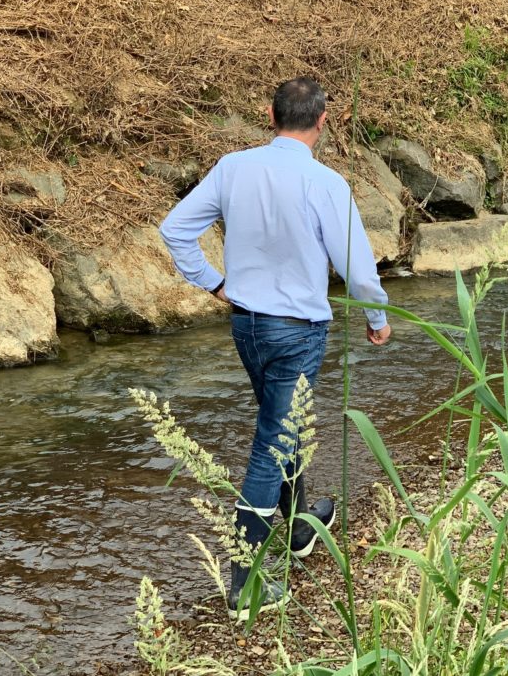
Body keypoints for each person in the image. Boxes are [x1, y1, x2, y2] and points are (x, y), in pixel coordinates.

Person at [159, 77, 392, 621]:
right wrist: (377, 317)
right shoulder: (326, 183)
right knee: (273, 441)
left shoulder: (231, 167)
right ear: (323, 120)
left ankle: (302, 527)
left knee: (282, 424)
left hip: (247, 326)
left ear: (270, 114)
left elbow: (175, 230)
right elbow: (357, 269)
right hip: (298, 330)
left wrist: (215, 284)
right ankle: (245, 584)